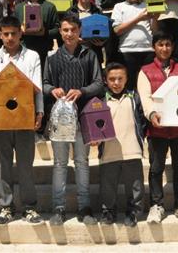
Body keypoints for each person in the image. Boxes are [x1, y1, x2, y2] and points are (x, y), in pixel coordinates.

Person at [0, 16, 44, 225]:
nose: (10, 38)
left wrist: (39, 112)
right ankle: (6, 206)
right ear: (0, 35)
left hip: (25, 118)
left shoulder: (32, 56)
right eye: (5, 34)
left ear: (20, 33)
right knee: (3, 165)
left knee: (25, 165)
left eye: (13, 34)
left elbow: (37, 89)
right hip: (0, 119)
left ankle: (30, 207)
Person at [43, 14, 103, 226]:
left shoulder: (89, 55)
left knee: (82, 162)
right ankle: (58, 208)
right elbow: (44, 83)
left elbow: (99, 83)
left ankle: (84, 207)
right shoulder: (52, 57)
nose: (69, 34)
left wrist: (82, 91)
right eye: (65, 30)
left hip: (83, 117)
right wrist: (52, 89)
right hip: (60, 118)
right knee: (60, 163)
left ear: (80, 31)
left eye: (73, 30)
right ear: (60, 32)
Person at [137, 31, 178, 224]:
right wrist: (151, 114)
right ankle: (157, 205)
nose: (164, 48)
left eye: (168, 45)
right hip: (157, 129)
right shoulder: (145, 71)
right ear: (154, 47)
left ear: (173, 47)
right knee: (156, 168)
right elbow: (145, 97)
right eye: (160, 44)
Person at [96, 62, 146, 227]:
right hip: (109, 151)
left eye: (120, 79)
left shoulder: (134, 98)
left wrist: (140, 137)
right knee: (108, 186)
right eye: (112, 79)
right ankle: (108, 212)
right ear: (105, 80)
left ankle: (134, 212)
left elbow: (142, 119)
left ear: (126, 79)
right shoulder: (100, 101)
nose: (116, 83)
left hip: (132, 149)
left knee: (135, 185)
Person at [112, 0, 156, 90]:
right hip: (126, 50)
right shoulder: (119, 7)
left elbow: (155, 30)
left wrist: (156, 17)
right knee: (129, 85)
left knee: (147, 86)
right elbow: (117, 30)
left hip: (148, 50)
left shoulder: (148, 5)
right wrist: (139, 18)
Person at [13, 0, 59, 67]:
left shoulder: (49, 7)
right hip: (23, 52)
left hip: (43, 51)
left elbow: (57, 30)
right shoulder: (19, 8)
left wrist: (44, 32)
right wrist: (20, 30)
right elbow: (12, 28)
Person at [67, 0, 105, 65]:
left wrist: (102, 42)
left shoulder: (98, 12)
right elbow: (63, 34)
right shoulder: (70, 12)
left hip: (94, 56)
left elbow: (104, 33)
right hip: (75, 56)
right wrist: (74, 39)